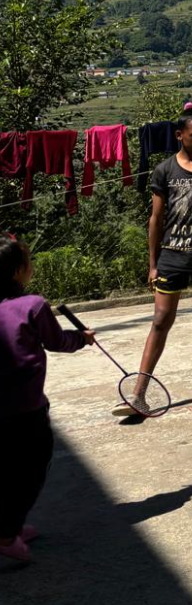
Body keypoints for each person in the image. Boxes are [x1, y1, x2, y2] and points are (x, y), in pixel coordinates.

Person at [114, 105, 192, 417]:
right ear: (179, 135)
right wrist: (153, 263)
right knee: (160, 320)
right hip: (171, 257)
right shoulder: (164, 171)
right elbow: (156, 219)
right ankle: (138, 394)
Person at [0, 238, 94, 563]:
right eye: (28, 261)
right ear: (18, 271)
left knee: (6, 469)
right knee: (32, 469)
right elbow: (57, 342)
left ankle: (10, 524)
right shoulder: (33, 306)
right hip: (26, 408)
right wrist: (82, 338)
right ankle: (6, 535)